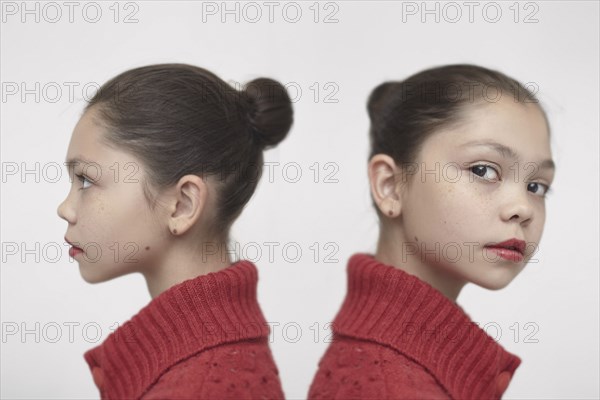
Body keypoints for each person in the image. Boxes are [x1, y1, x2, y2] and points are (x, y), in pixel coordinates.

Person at [308, 64, 555, 399]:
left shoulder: (403, 363)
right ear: (391, 185)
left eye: (536, 186)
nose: (523, 208)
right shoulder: (381, 384)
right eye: (483, 170)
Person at [57, 63, 293, 399]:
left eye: (86, 180)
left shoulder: (210, 386)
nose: (64, 208)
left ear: (182, 204)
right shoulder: (206, 364)